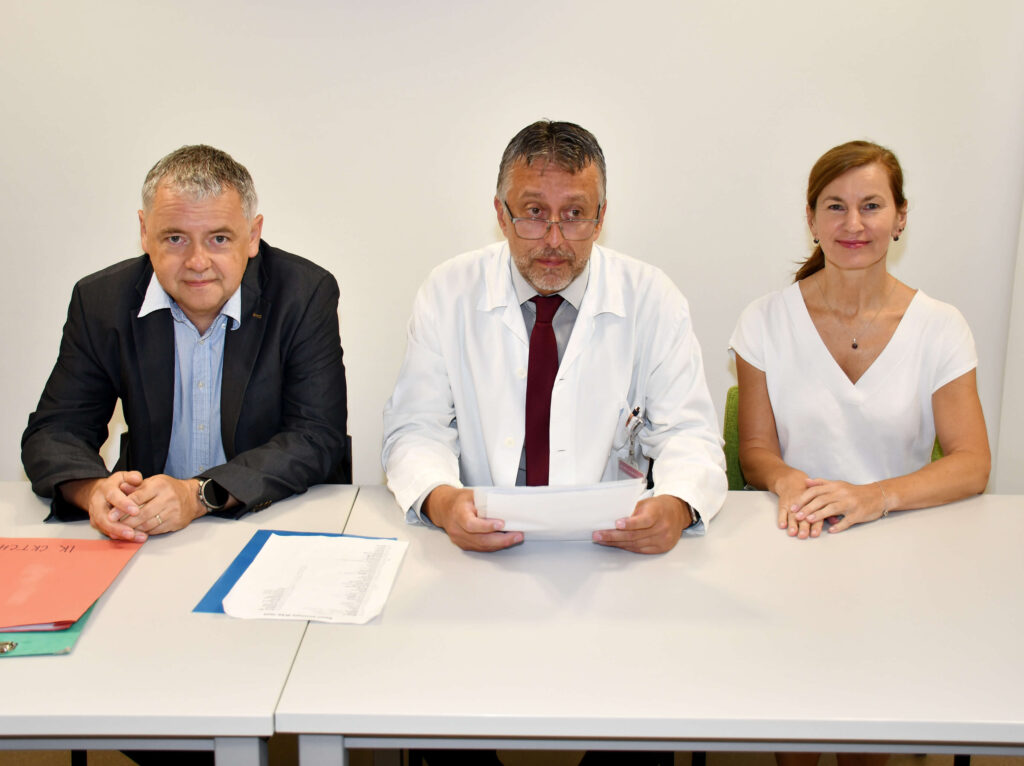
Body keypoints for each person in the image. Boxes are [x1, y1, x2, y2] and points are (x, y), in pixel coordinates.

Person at [382, 120, 726, 556]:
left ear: (601, 218)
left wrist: (677, 506)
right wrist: (442, 501)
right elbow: (416, 428)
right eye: (534, 212)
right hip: (480, 547)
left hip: (610, 546)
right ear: (500, 214)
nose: (554, 239)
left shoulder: (652, 297)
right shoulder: (448, 291)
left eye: (575, 214)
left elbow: (689, 434)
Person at [22, 144, 350, 543]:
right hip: (148, 534)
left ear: (252, 236)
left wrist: (198, 495)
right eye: (175, 238)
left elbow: (316, 436)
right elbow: (55, 431)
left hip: (272, 522)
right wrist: (94, 492)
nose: (197, 261)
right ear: (145, 232)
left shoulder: (303, 294)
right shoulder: (102, 302)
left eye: (219, 238)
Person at [730, 139, 989, 544]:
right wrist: (787, 481)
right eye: (836, 207)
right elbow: (755, 450)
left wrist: (875, 496)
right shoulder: (763, 320)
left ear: (900, 218)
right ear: (812, 221)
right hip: (797, 534)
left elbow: (972, 464)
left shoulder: (941, 327)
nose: (853, 224)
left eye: (870, 206)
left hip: (906, 537)